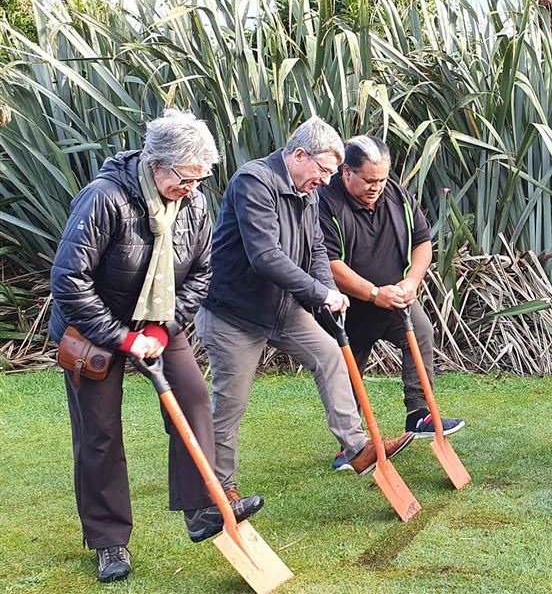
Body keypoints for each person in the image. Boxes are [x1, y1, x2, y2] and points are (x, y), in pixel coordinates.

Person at [49, 110, 263, 583]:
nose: (192, 188)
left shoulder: (196, 204)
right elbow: (69, 280)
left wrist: (163, 332)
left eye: (200, 179)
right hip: (91, 330)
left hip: (159, 322)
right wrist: (123, 337)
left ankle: (202, 508)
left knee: (193, 400)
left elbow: (203, 273)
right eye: (185, 179)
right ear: (157, 164)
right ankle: (109, 542)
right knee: (100, 434)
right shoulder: (103, 199)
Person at [195, 118, 414, 483]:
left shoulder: (307, 191)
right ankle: (221, 489)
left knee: (330, 357)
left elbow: (315, 249)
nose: (327, 181)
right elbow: (265, 256)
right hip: (234, 315)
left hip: (283, 308)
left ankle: (358, 448)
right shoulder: (254, 182)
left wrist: (330, 295)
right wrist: (318, 292)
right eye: (324, 170)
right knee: (231, 405)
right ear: (299, 155)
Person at [317, 136, 464, 469]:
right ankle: (351, 447)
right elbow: (327, 262)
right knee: (346, 370)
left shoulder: (397, 195)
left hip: (394, 297)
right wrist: (372, 292)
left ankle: (419, 414)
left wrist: (410, 282)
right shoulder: (325, 203)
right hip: (347, 306)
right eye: (369, 180)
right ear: (346, 172)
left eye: (381, 179)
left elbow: (423, 243)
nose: (376, 187)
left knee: (421, 333)